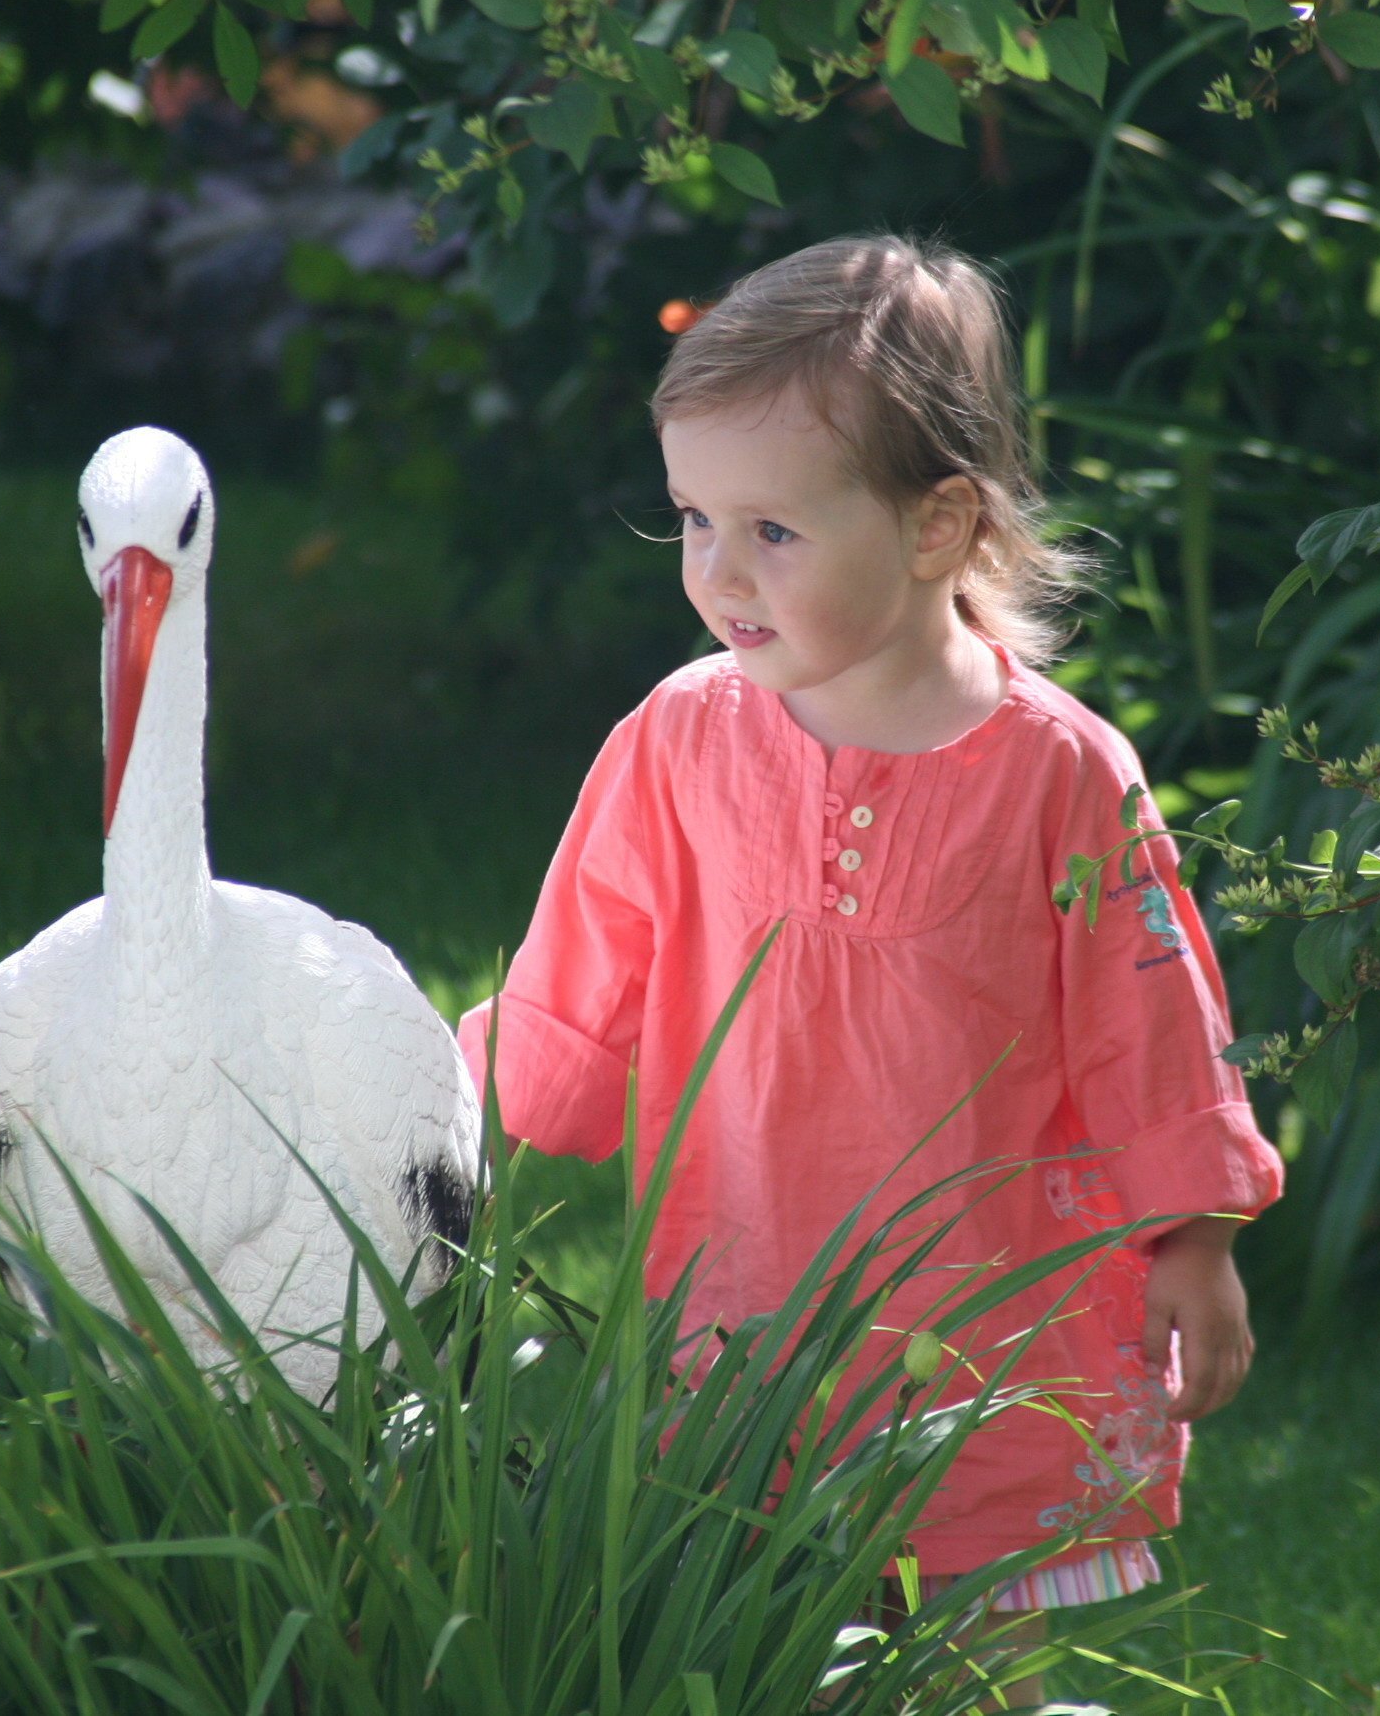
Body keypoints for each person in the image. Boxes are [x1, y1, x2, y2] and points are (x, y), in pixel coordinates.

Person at [458, 234, 1285, 1707]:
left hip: (986, 1338)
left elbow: (1151, 1023)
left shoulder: (1060, 772)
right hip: (742, 1322)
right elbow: (575, 989)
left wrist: (1196, 1238)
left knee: (976, 1669)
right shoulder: (676, 740)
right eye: (693, 520)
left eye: (772, 531)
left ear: (935, 524)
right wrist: (442, 1107)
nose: (717, 571)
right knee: (768, 1658)